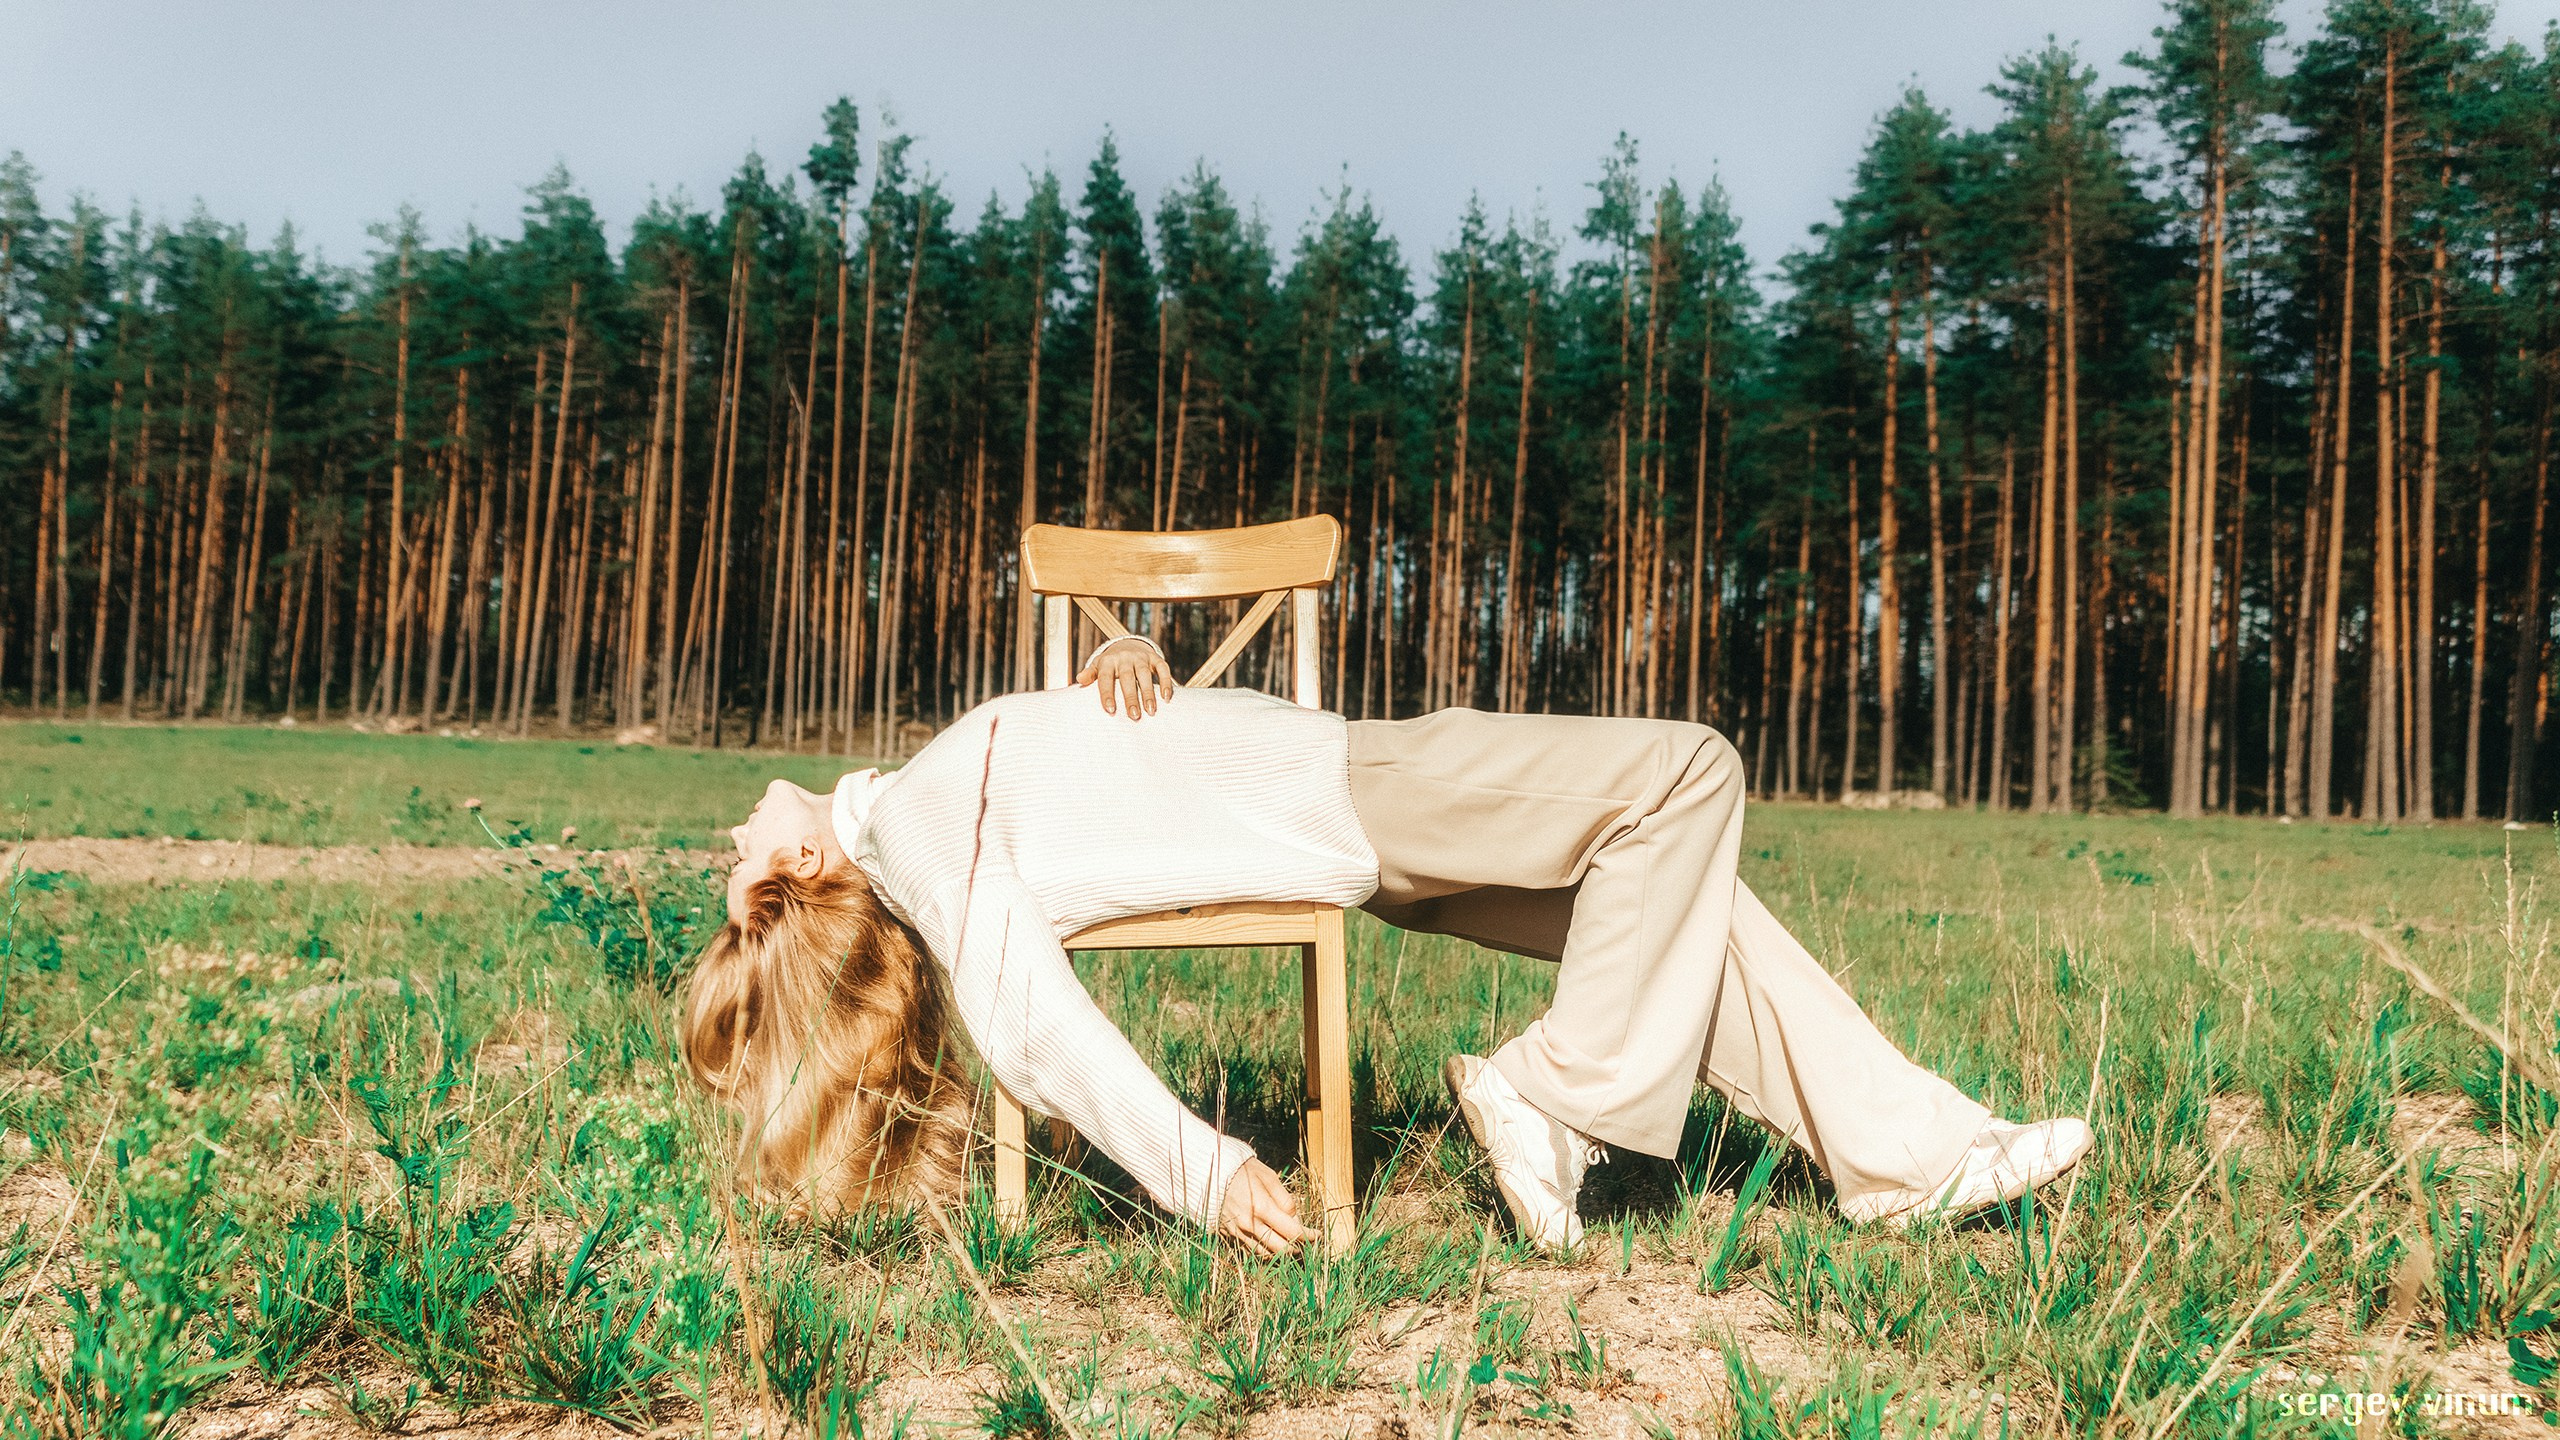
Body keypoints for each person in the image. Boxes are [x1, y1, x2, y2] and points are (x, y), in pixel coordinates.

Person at [688, 635, 2092, 1255]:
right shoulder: (923, 828)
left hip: (1349, 809)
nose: (727, 846)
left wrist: (1117, 646)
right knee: (1691, 772)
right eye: (734, 868)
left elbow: (1086, 778)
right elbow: (1031, 1018)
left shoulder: (927, 799)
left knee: (1694, 910)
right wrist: (1200, 1168)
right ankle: (1560, 1094)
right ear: (803, 868)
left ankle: (1909, 1159)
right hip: (1361, 789)